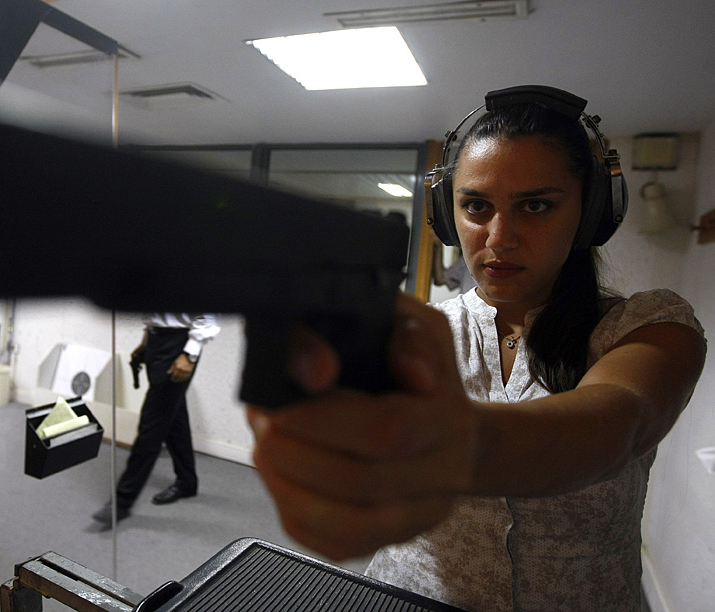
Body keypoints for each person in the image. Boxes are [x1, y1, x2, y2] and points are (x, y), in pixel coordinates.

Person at [246, 87, 706, 611]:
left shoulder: (649, 325)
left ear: (589, 212)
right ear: (449, 214)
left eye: (536, 205)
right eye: (476, 206)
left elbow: (619, 425)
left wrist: (443, 445)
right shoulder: (422, 332)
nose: (499, 237)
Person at [95, 313, 220, 526]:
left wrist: (190, 354)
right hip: (156, 340)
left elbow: (208, 315)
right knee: (173, 417)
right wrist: (147, 339)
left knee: (152, 425)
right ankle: (187, 482)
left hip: (179, 345)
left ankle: (122, 502)